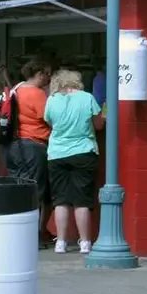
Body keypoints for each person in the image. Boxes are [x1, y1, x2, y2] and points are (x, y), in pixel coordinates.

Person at [44, 69, 103, 255]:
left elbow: (50, 122)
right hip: (84, 151)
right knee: (82, 200)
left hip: (57, 153)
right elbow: (99, 124)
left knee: (60, 200)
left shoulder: (52, 100)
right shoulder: (87, 98)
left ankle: (60, 242)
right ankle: (85, 242)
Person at [6, 58, 53, 248]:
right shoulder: (37, 93)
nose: (49, 78)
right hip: (34, 144)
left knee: (18, 188)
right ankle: (32, 234)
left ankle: (16, 231)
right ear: (39, 73)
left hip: (14, 144)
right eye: (47, 73)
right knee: (36, 191)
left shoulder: (17, 89)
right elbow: (49, 118)